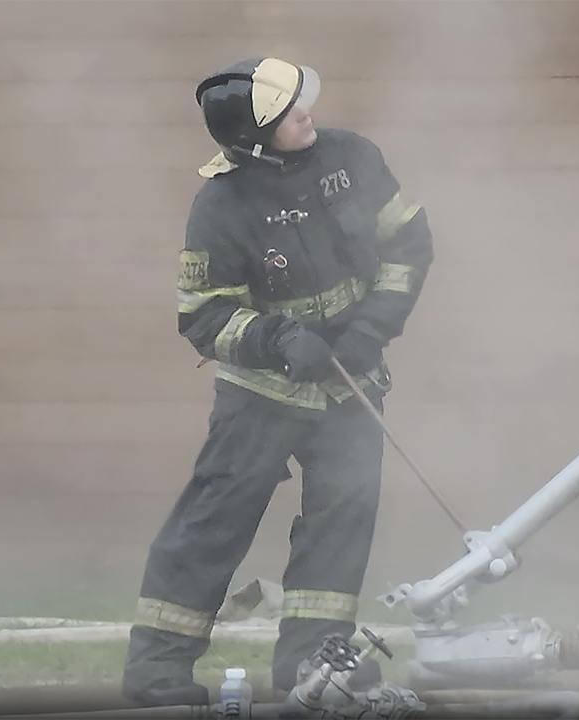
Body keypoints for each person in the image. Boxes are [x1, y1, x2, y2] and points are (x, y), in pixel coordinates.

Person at [121, 57, 433, 706]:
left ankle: (313, 669)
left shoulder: (353, 159)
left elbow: (408, 246)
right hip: (260, 396)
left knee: (340, 526)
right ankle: (157, 676)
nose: (306, 113)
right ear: (255, 140)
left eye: (301, 102)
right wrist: (278, 339)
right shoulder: (220, 206)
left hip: (349, 385)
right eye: (288, 112)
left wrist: (368, 332)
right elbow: (203, 316)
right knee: (211, 527)